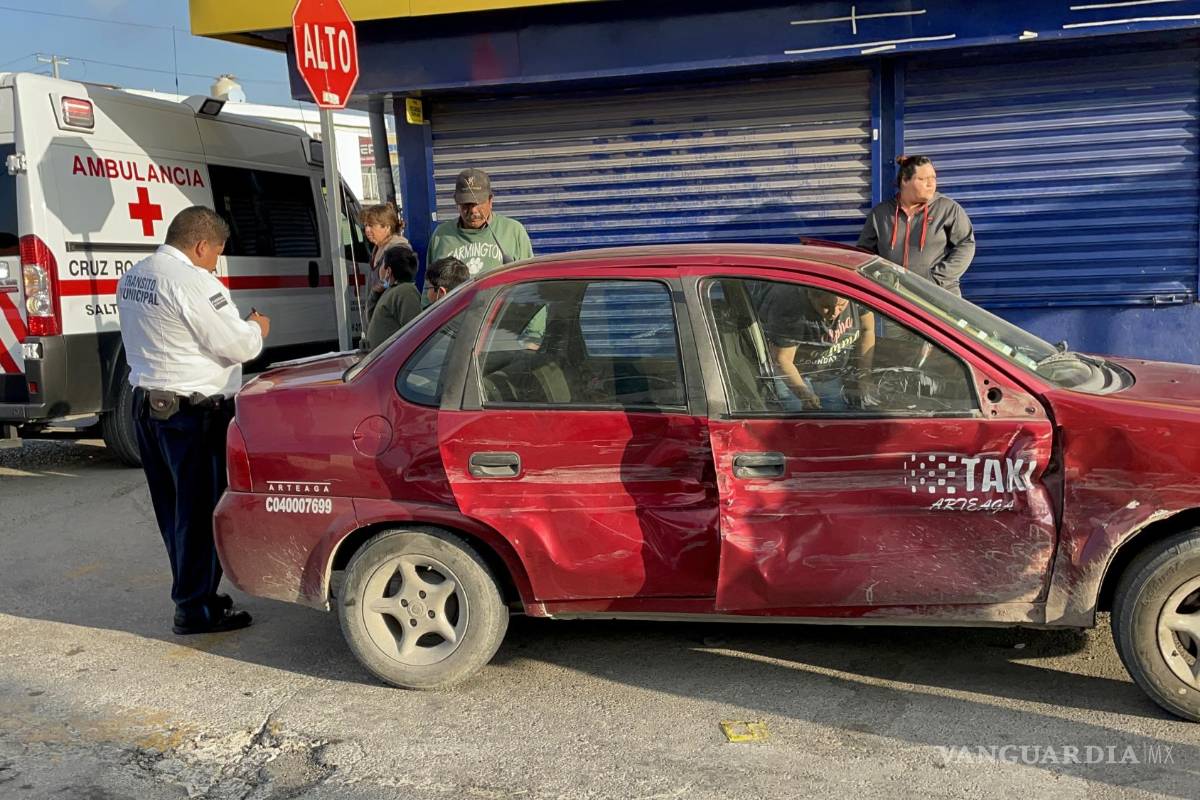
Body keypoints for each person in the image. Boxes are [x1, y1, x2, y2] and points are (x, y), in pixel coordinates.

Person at [117, 206, 270, 635]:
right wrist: (256, 328)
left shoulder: (135, 276)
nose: (216, 264)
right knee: (201, 512)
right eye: (216, 254)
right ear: (201, 245)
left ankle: (192, 592)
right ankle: (196, 607)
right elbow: (237, 345)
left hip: (148, 408)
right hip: (191, 414)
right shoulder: (193, 281)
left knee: (174, 512)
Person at [858, 155, 975, 296]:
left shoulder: (947, 209)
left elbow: (966, 244)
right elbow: (863, 254)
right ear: (905, 180)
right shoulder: (881, 213)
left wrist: (937, 278)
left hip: (939, 296)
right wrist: (881, 279)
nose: (931, 184)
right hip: (894, 298)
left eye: (933, 178)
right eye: (922, 179)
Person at [759, 285, 874, 411]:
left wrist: (864, 377)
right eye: (826, 307)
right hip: (792, 371)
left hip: (829, 372)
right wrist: (804, 394)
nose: (834, 313)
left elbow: (867, 330)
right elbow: (782, 359)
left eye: (841, 305)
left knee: (835, 414)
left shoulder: (856, 296)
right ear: (811, 296)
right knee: (798, 413)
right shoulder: (790, 308)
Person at [427, 168, 533, 276]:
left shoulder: (513, 231)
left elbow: (529, 278)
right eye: (466, 204)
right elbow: (430, 283)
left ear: (490, 201)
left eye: (478, 203)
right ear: (456, 203)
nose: (473, 210)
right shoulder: (441, 235)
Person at [360, 203, 412, 321]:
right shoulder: (377, 248)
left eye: (371, 225)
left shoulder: (398, 249)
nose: (367, 230)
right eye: (366, 225)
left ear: (387, 227)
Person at [365, 247, 422, 350]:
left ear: (389, 271)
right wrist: (374, 295)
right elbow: (372, 319)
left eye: (382, 265)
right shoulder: (391, 290)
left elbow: (414, 331)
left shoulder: (406, 291)